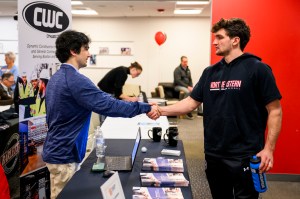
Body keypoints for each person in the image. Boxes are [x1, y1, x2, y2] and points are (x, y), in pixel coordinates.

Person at [155, 18, 282, 199]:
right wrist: (160, 110)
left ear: (235, 40)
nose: (214, 42)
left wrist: (269, 149)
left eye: (219, 37)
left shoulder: (258, 69)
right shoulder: (210, 72)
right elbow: (191, 103)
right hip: (214, 153)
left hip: (245, 154)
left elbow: (275, 111)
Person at [42, 30, 159, 199]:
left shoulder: (57, 77)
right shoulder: (75, 79)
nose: (89, 54)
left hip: (58, 150)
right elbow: (110, 105)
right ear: (74, 51)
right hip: (64, 155)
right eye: (86, 48)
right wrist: (145, 108)